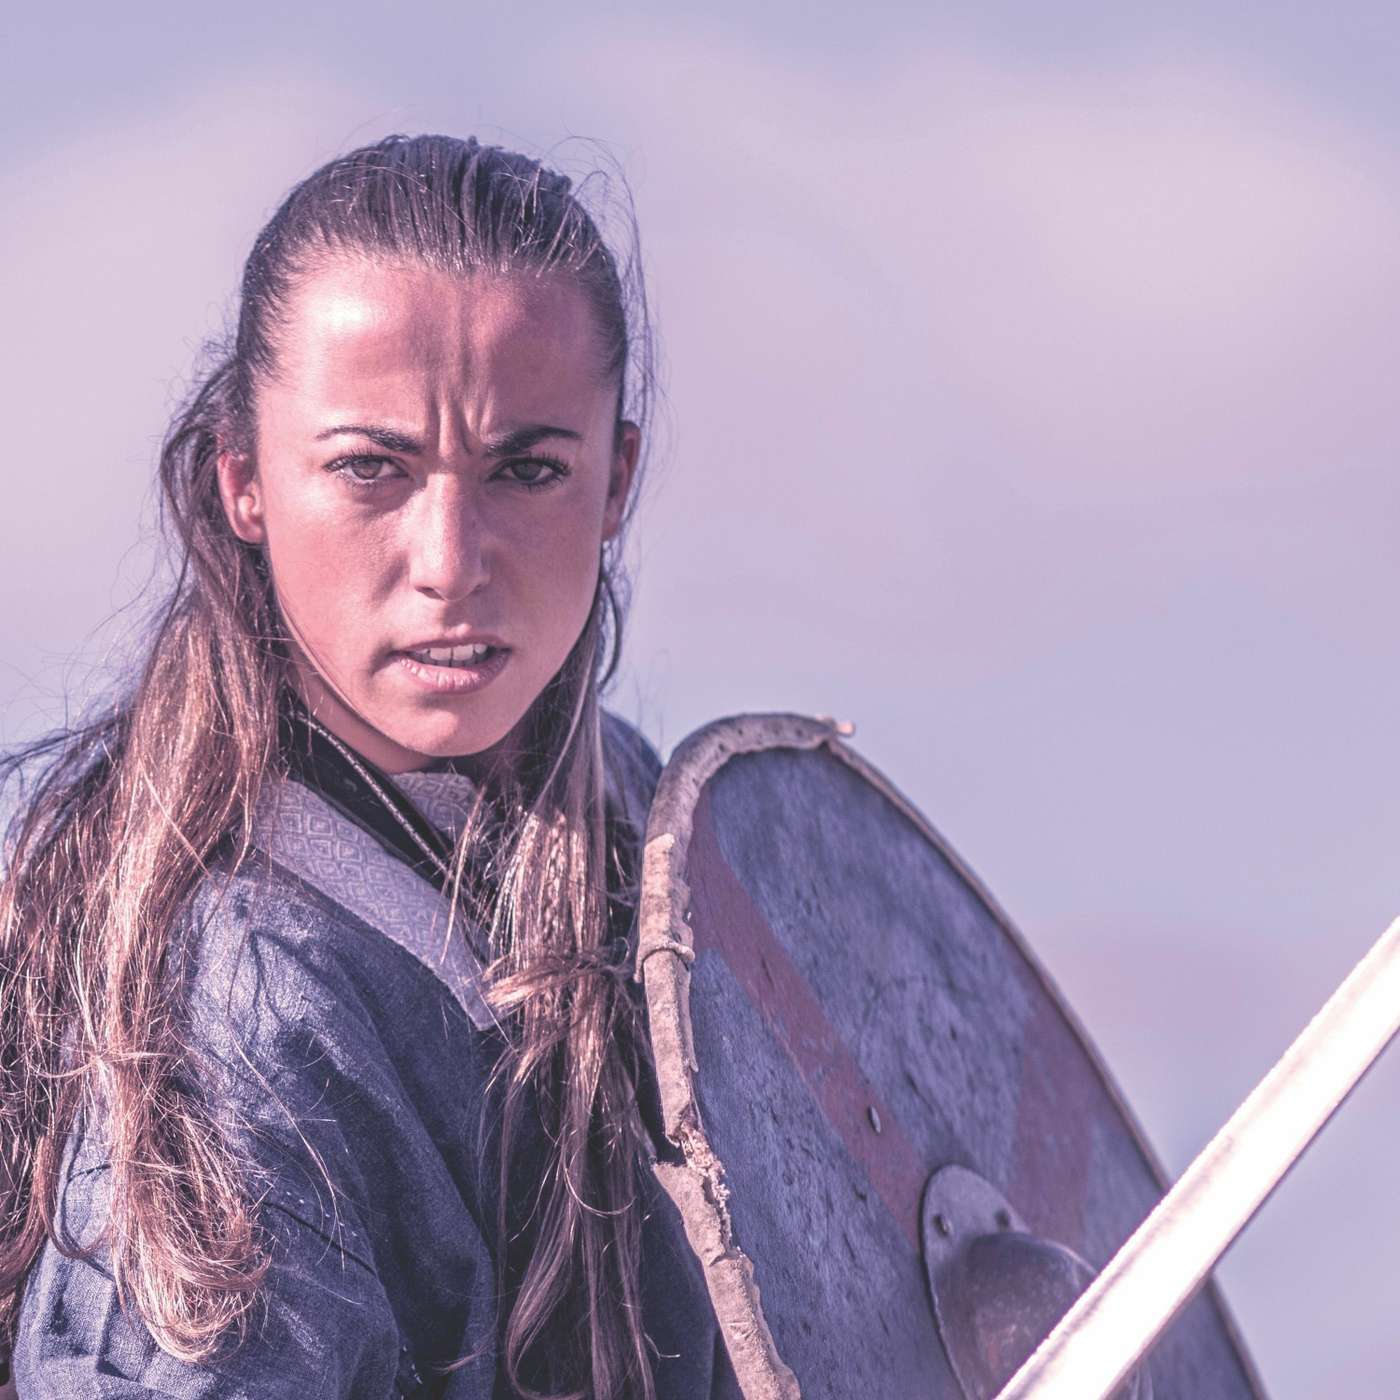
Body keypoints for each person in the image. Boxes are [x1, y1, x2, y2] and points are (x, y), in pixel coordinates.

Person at [0, 135, 733, 1399]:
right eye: (369, 468)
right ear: (244, 480)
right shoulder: (238, 1006)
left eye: (528, 469)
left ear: (614, 480)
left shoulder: (637, 828)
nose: (449, 561)